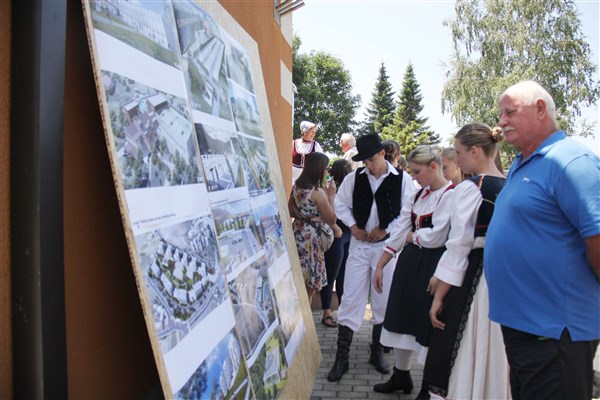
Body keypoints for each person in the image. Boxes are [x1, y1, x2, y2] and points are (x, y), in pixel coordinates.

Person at [486, 80, 600, 400]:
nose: (502, 121)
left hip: (554, 331)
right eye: (501, 114)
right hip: (523, 326)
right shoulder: (523, 163)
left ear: (540, 109)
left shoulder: (572, 162)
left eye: (510, 112)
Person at [423, 123, 510, 399]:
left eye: (459, 153)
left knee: (462, 348)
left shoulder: (472, 189)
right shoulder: (511, 185)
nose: (457, 160)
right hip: (507, 280)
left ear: (475, 151)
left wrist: (439, 296)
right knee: (497, 352)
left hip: (477, 279)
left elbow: (459, 247)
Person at [327, 134, 416, 382]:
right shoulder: (355, 178)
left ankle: (377, 351)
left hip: (386, 248)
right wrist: (353, 225)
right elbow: (340, 205)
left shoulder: (403, 179)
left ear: (382, 154)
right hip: (359, 245)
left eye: (371, 159)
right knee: (351, 296)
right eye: (364, 160)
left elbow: (409, 211)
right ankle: (341, 357)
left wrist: (387, 229)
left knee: (383, 298)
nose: (368, 164)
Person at [372, 145, 455, 399]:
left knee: (426, 323)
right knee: (401, 316)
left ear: (433, 167)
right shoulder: (419, 194)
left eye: (417, 171)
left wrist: (413, 236)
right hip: (409, 264)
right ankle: (401, 375)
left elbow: (438, 235)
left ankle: (428, 386)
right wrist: (382, 263)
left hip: (434, 266)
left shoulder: (451, 195)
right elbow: (399, 229)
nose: (414, 177)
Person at [288, 152, 338, 302]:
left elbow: (290, 209)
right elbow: (331, 218)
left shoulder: (297, 186)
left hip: (297, 234)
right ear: (319, 169)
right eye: (327, 168)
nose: (328, 171)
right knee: (310, 287)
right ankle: (306, 320)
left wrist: (303, 216)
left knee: (298, 281)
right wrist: (331, 196)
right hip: (312, 241)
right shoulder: (317, 192)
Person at [320, 159, 353, 327]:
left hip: (343, 235)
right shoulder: (332, 189)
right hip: (338, 234)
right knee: (334, 275)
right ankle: (328, 312)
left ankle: (336, 311)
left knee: (337, 275)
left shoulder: (338, 187)